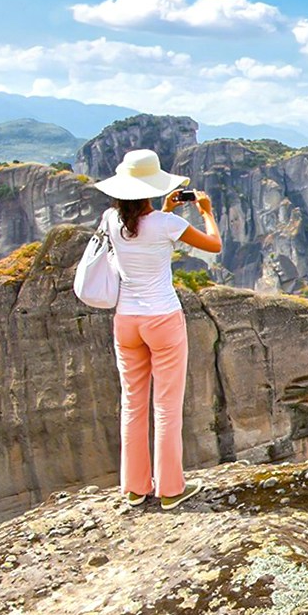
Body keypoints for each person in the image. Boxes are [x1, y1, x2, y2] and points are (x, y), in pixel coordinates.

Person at [92, 149, 223, 509]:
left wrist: (164, 211)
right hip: (163, 320)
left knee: (132, 403)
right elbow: (214, 245)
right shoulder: (166, 226)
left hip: (126, 321)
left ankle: (135, 488)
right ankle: (170, 490)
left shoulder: (109, 219)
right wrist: (207, 213)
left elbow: (138, 232)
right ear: (151, 187)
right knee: (166, 405)